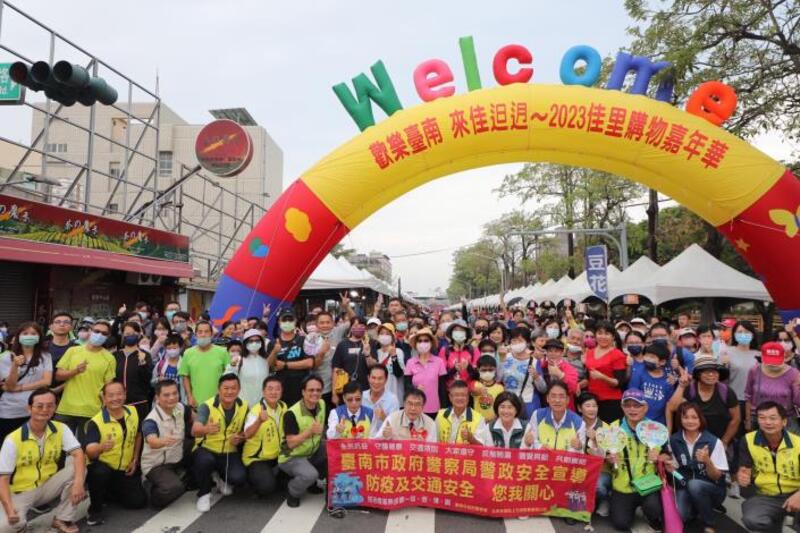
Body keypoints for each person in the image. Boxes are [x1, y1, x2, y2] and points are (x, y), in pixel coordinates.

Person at [0, 388, 86, 533]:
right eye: (39, 406)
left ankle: (62, 519)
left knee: (78, 468)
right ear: (29, 408)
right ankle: (20, 525)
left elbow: (78, 453)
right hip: (20, 493)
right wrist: (9, 509)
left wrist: (78, 484)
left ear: (55, 407)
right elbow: (3, 478)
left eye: (50, 405)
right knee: (6, 527)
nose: (45, 410)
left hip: (47, 486)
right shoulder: (13, 439)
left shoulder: (61, 428)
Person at [83, 380, 146, 525]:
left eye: (119, 394)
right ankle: (95, 510)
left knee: (138, 502)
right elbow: (89, 451)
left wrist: (135, 459)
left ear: (125, 395)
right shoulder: (96, 422)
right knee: (100, 473)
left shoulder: (133, 411)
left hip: (124, 467)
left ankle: (109, 492)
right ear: (104, 398)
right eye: (110, 395)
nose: (115, 398)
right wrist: (101, 447)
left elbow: (138, 435)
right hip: (104, 466)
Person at [663, 402, 728, 533]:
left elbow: (717, 476)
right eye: (685, 417)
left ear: (700, 419)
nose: (690, 421)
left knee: (695, 485)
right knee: (681, 515)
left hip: (712, 489)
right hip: (684, 485)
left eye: (694, 417)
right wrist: (671, 471)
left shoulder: (714, 442)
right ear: (680, 420)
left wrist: (707, 461)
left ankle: (709, 523)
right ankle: (697, 508)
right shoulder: (674, 440)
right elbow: (676, 472)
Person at [737, 401, 800, 532]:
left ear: (784, 422)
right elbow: (744, 468)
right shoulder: (748, 440)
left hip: (796, 491)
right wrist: (742, 476)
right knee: (752, 519)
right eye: (762, 418)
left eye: (773, 418)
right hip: (766, 494)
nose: (768, 422)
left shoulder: (798, 443)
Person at [607, 388, 663, 532]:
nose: (632, 409)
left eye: (637, 405)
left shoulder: (655, 428)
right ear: (622, 407)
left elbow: (667, 455)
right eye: (627, 405)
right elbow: (605, 457)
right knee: (621, 524)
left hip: (647, 484)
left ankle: (648, 509)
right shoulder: (614, 428)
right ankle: (618, 503)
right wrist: (609, 458)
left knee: (655, 511)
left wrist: (659, 457)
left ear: (645, 407)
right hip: (623, 486)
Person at [191, 373, 248, 512]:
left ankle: (220, 477)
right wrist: (206, 429)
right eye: (226, 388)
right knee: (206, 461)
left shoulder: (244, 406)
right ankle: (204, 494)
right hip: (206, 449)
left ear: (239, 390)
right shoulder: (207, 406)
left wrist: (240, 437)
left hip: (229, 452)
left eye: (233, 388)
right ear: (219, 389)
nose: (229, 392)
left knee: (239, 478)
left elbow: (245, 431)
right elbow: (194, 430)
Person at [55, 320, 116, 440]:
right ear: (90, 331)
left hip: (92, 411)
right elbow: (58, 375)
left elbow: (109, 386)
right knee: (58, 450)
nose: (99, 335)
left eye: (104, 334)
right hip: (66, 409)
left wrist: (106, 408)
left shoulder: (109, 358)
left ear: (107, 337)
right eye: (97, 331)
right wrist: (75, 371)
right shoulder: (73, 351)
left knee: (86, 450)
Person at [141, 379, 193, 508]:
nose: (172, 398)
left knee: (200, 450)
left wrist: (204, 425)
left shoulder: (179, 407)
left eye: (175, 393)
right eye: (166, 395)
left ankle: (178, 476)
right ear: (157, 397)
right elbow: (152, 440)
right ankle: (151, 492)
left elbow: (193, 416)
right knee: (175, 488)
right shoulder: (151, 420)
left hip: (176, 456)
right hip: (157, 464)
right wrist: (162, 441)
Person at [278, 375, 326, 508]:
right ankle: (293, 491)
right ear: (303, 392)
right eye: (311, 390)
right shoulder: (291, 413)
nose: (315, 393)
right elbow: (291, 443)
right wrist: (310, 431)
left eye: (318, 390)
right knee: (311, 474)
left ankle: (310, 482)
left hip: (311, 450)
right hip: (291, 456)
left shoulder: (321, 404)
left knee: (332, 450)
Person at [0, 323, 53, 442]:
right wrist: (15, 366)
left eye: (34, 333)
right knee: (8, 447)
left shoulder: (45, 356)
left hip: (36, 410)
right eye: (25, 333)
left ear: (39, 337)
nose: (29, 336)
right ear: (18, 336)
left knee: (32, 445)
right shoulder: (6, 357)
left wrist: (20, 388)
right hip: (10, 410)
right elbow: (9, 386)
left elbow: (46, 381)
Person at [243, 376, 286, 497]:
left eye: (277, 389)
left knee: (287, 483)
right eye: (270, 389)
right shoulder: (256, 410)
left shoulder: (283, 406)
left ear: (282, 392)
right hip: (257, 458)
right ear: (263, 392)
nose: (273, 392)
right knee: (267, 488)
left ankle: (272, 474)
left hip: (277, 456)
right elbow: (246, 434)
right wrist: (259, 421)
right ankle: (251, 479)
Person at [745, 341, 800, 434]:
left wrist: (798, 386)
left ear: (784, 357)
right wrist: (748, 420)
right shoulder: (754, 371)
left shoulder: (793, 374)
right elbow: (748, 396)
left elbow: (798, 401)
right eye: (769, 361)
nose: (772, 365)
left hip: (786, 421)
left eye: (776, 361)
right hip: (760, 420)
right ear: (762, 357)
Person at [180, 321, 231, 410]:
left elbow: (229, 376)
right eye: (200, 332)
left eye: (206, 331)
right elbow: (185, 376)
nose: (203, 335)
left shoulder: (222, 352)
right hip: (196, 404)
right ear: (195, 335)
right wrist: (189, 396)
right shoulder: (188, 353)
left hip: (219, 403)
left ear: (211, 334)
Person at [267, 309, 314, 407]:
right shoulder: (273, 343)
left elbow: (310, 362)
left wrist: (285, 365)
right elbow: (270, 366)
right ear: (279, 321)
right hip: (281, 390)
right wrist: (275, 351)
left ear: (295, 321)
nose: (287, 322)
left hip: (301, 388)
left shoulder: (303, 340)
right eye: (284, 319)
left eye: (290, 319)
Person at [584, 321, 627, 423]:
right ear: (595, 335)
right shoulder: (589, 352)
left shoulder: (617, 355)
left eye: (607, 334)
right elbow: (588, 377)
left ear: (613, 337)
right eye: (600, 333)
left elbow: (619, 383)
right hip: (592, 401)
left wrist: (602, 377)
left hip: (610, 402)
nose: (603, 336)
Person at [522, 381, 585, 451]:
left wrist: (579, 447)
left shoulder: (579, 422)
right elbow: (532, 441)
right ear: (547, 399)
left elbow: (580, 453)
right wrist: (540, 447)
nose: (557, 400)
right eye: (553, 396)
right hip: (542, 460)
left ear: (567, 400)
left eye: (561, 396)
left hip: (565, 461)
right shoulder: (537, 415)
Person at [576, 392, 611, 517]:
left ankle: (605, 499)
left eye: (595, 406)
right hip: (580, 468)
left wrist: (596, 440)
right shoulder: (575, 424)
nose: (592, 409)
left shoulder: (605, 427)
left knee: (598, 486)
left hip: (602, 470)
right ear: (580, 408)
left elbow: (606, 456)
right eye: (588, 405)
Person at [114, 321, 154, 422]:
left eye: (133, 334)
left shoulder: (145, 355)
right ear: (122, 335)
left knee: (138, 433)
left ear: (139, 334)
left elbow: (147, 379)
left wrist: (142, 362)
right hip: (117, 402)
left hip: (139, 403)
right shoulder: (116, 356)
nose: (130, 336)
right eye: (127, 334)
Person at [332, 316, 377, 404]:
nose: (358, 327)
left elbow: (373, 366)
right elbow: (336, 369)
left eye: (361, 325)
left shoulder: (371, 343)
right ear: (351, 327)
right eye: (355, 325)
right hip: (345, 389)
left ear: (366, 328)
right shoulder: (342, 344)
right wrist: (334, 393)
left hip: (365, 390)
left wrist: (367, 354)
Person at [404, 328, 448, 418]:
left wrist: (444, 408)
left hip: (435, 408)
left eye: (426, 340)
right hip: (415, 408)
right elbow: (406, 385)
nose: (422, 343)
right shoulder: (410, 362)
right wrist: (415, 388)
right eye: (419, 341)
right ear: (416, 344)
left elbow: (442, 387)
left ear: (431, 343)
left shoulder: (439, 362)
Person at [628, 342, 674, 425]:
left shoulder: (668, 380)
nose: (647, 359)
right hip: (638, 422)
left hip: (658, 425)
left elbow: (669, 407)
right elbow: (632, 398)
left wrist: (668, 431)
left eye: (652, 357)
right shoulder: (638, 373)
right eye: (646, 355)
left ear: (662, 362)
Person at [435, 380, 490, 445]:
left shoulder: (479, 418)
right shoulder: (441, 415)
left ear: (468, 398)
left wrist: (471, 438)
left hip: (467, 455)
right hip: (443, 454)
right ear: (450, 397)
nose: (460, 398)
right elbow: (434, 441)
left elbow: (482, 447)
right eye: (456, 395)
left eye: (463, 395)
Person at [499, 327, 538, 417]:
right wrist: (501, 360)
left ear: (527, 342)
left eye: (520, 340)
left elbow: (542, 388)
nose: (516, 343)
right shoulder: (505, 356)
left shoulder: (534, 361)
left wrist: (536, 377)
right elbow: (498, 379)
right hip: (507, 402)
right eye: (514, 340)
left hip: (526, 403)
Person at [227, 329, 270, 407]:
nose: (254, 343)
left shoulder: (266, 359)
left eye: (257, 340)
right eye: (251, 341)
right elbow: (227, 377)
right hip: (243, 405)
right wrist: (232, 365)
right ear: (245, 343)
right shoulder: (239, 359)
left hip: (263, 405)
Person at [536, 338, 579, 408]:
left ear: (562, 353)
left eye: (556, 351)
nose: (553, 354)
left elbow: (573, 388)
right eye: (550, 351)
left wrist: (560, 374)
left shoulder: (569, 368)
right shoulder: (541, 366)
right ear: (546, 352)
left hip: (565, 407)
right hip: (545, 406)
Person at [361, 365, 399, 437]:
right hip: (363, 441)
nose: (376, 382)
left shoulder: (392, 400)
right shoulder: (361, 397)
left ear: (386, 379)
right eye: (373, 378)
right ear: (368, 378)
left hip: (384, 442)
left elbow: (395, 427)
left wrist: (384, 418)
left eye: (380, 378)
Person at [441, 319, 478, 389]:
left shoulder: (473, 350)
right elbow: (442, 376)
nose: (458, 332)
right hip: (451, 391)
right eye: (455, 330)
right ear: (451, 333)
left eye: (461, 330)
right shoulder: (445, 350)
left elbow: (477, 375)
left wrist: (469, 367)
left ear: (466, 333)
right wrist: (454, 369)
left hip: (469, 391)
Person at [373, 323, 406, 401]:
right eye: (381, 333)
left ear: (393, 336)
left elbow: (399, 373)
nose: (384, 336)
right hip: (379, 397)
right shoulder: (376, 352)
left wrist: (394, 356)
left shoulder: (398, 352)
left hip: (395, 396)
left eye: (387, 334)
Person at [471, 354, 504, 423]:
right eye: (484, 370)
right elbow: (472, 391)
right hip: (477, 422)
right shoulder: (475, 384)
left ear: (495, 369)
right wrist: (477, 391)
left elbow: (501, 406)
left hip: (495, 422)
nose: (487, 372)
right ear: (478, 370)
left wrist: (495, 419)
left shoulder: (500, 388)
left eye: (490, 370)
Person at [152, 334, 185, 401]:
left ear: (180, 348)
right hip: (163, 401)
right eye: (169, 348)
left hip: (180, 400)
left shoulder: (185, 364)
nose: (172, 350)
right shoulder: (160, 364)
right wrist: (158, 380)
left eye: (174, 348)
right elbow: (152, 382)